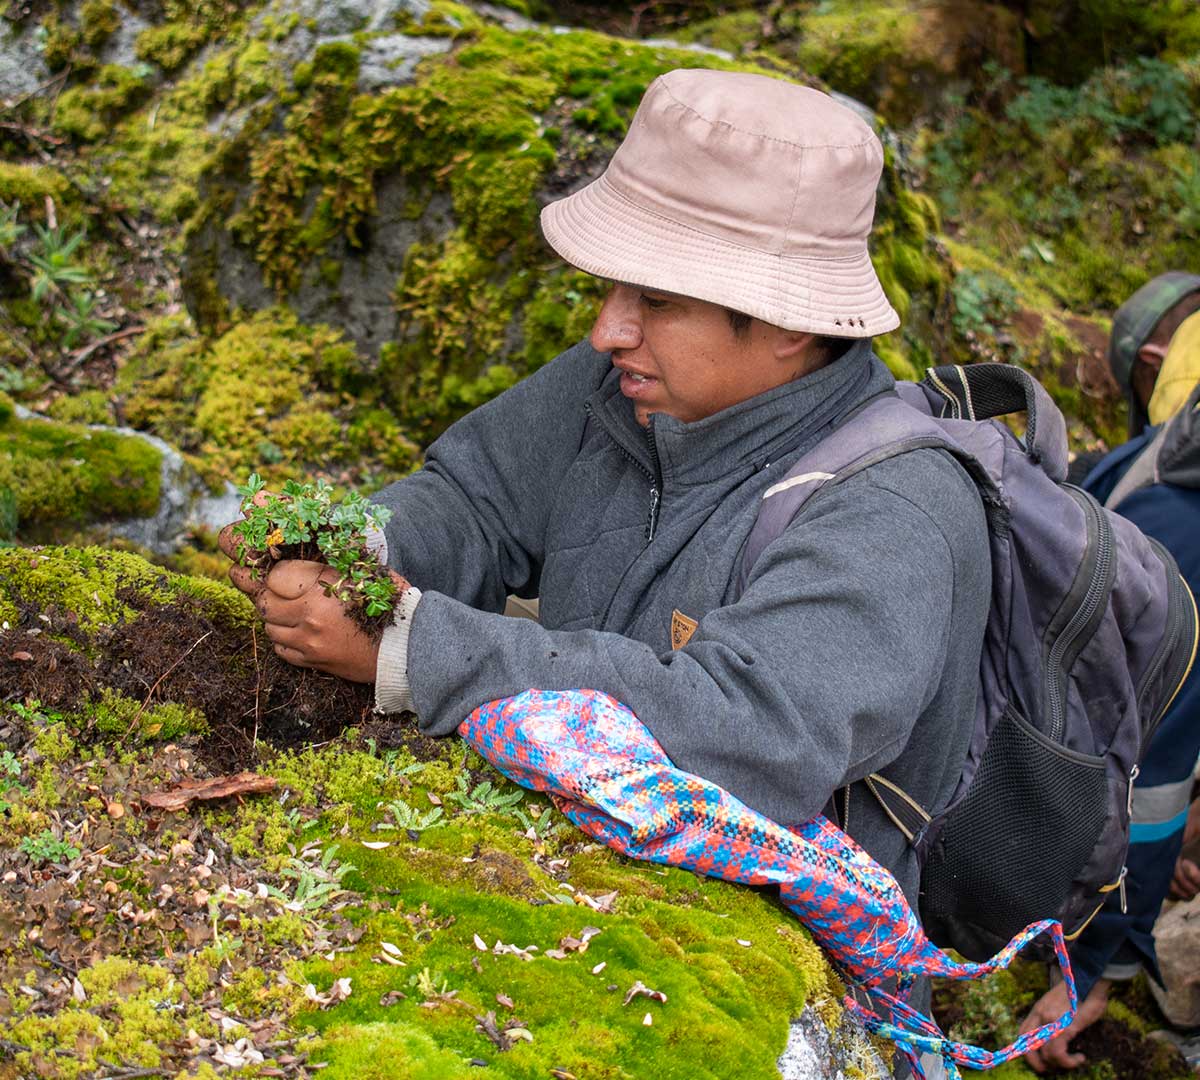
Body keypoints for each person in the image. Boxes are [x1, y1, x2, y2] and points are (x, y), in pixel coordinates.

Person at [220, 69, 992, 1073]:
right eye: (612, 290)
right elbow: (471, 496)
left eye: (657, 300)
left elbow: (750, 733)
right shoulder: (619, 387)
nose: (606, 329)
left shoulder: (893, 510)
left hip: (786, 980)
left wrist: (420, 648)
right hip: (582, 882)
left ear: (792, 323)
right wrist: (358, 564)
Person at [1021, 274, 1200, 1073]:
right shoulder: (1166, 503)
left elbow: (1146, 778)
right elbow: (1148, 766)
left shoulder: (1162, 492)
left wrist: (1090, 974)